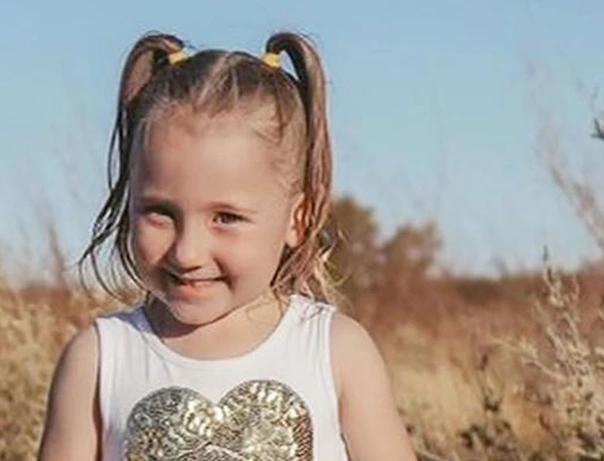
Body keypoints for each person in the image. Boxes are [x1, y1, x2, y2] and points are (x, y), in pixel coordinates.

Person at [37, 31, 418, 461]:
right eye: (160, 212)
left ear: (297, 219)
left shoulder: (336, 352)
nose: (187, 252)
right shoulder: (99, 361)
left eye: (226, 218)